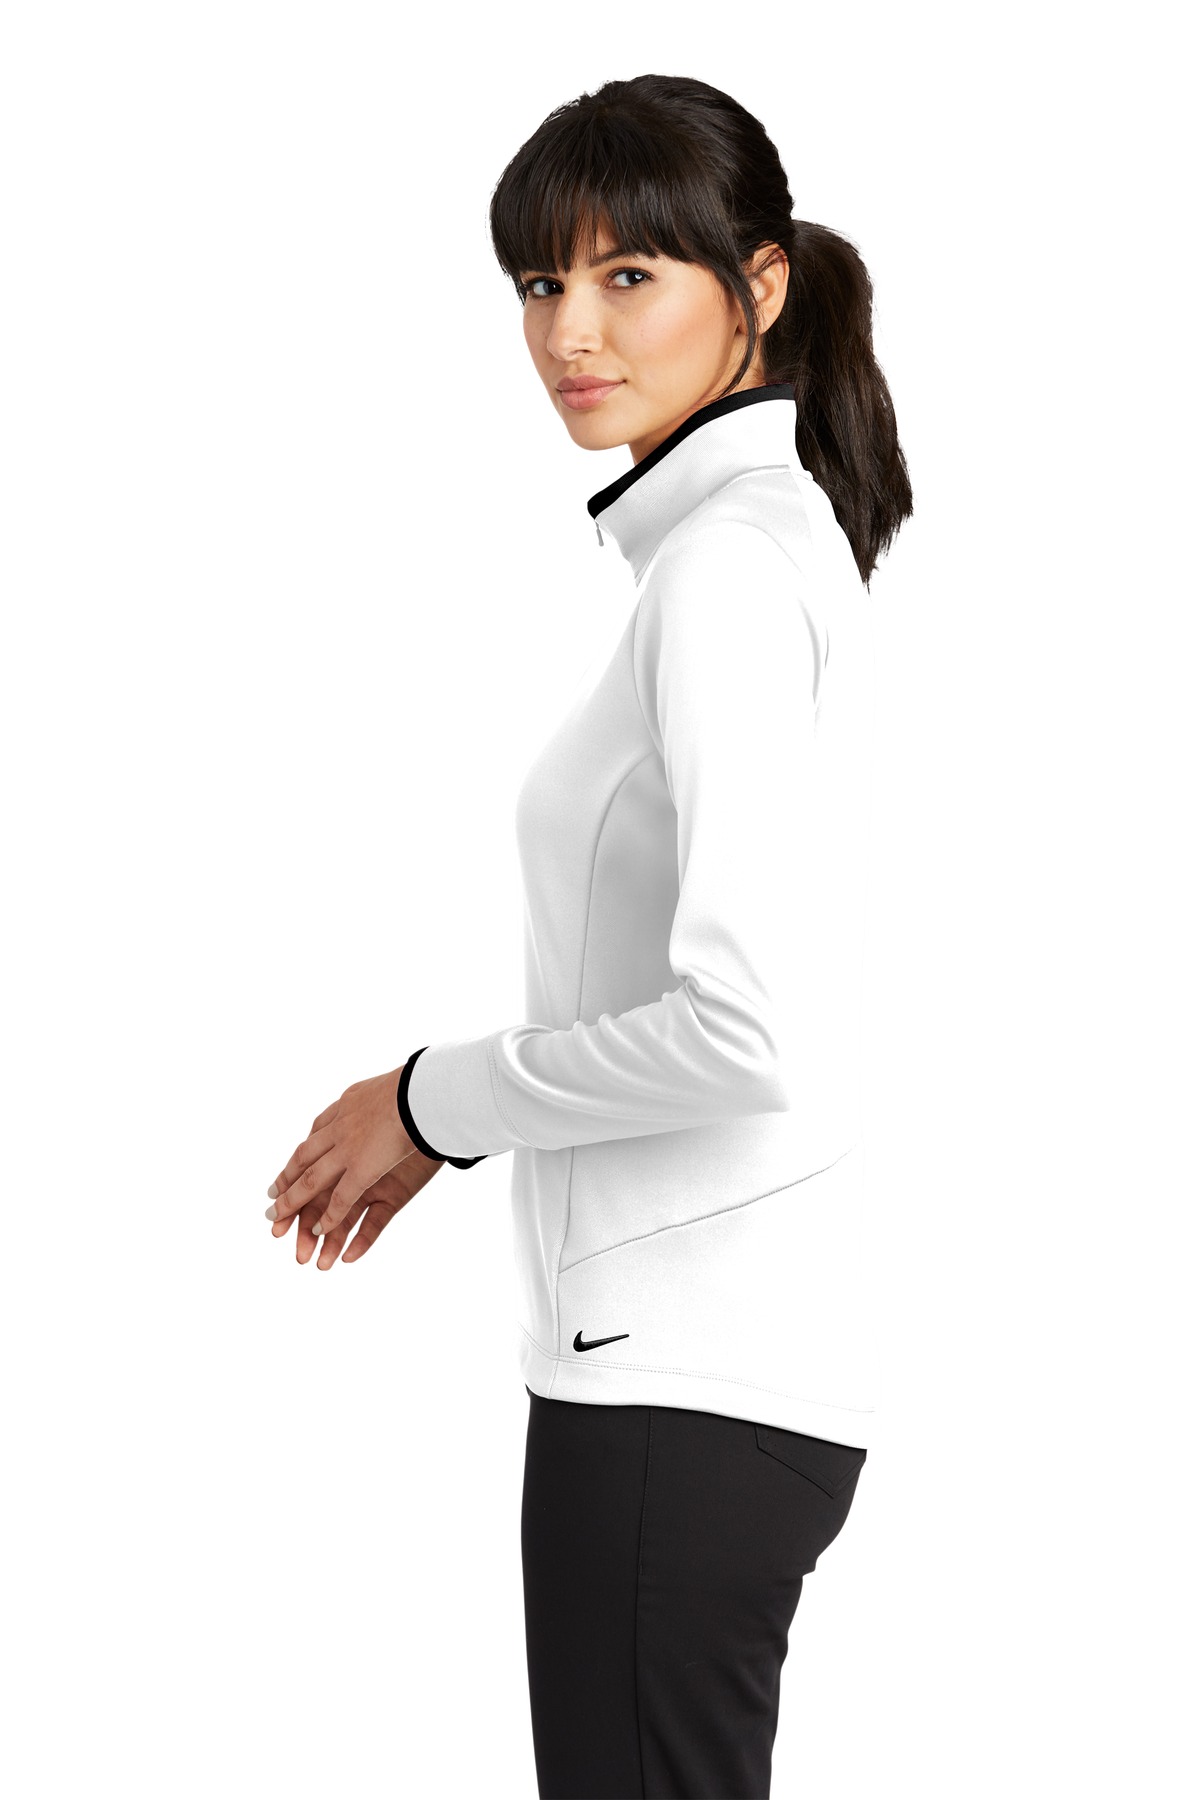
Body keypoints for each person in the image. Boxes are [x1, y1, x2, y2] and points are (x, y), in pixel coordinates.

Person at [265, 71, 912, 1800]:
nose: (571, 330)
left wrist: (432, 1101)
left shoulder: (727, 572)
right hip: (707, 1371)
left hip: (682, 1387)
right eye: (542, 282)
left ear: (759, 285)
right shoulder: (750, 549)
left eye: (631, 277)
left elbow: (748, 1029)